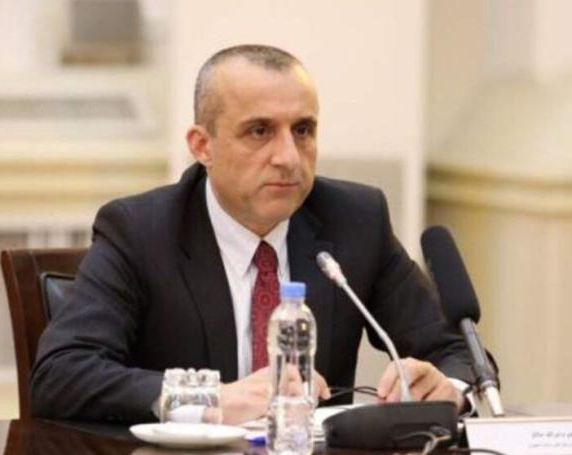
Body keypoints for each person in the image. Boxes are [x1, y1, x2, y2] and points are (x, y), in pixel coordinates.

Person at [31, 44, 479, 425]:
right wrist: (210, 400)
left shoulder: (355, 220)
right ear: (202, 146)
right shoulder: (140, 230)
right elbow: (62, 375)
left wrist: (449, 388)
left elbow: (459, 353)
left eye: (302, 130)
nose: (288, 157)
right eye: (259, 131)